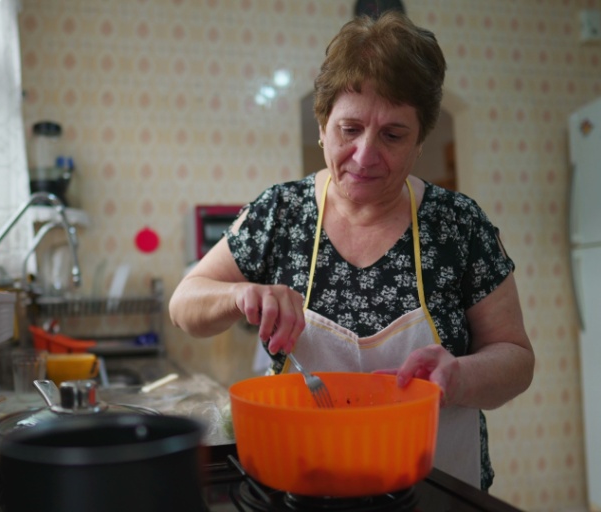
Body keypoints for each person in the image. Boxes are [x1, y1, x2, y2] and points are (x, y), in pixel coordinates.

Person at [168, 11, 534, 491]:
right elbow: (184, 304)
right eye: (349, 129)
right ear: (322, 126)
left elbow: (516, 358)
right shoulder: (281, 213)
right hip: (305, 484)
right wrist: (239, 296)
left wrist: (458, 377)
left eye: (393, 135)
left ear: (420, 140)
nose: (365, 155)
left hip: (435, 486)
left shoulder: (459, 225)